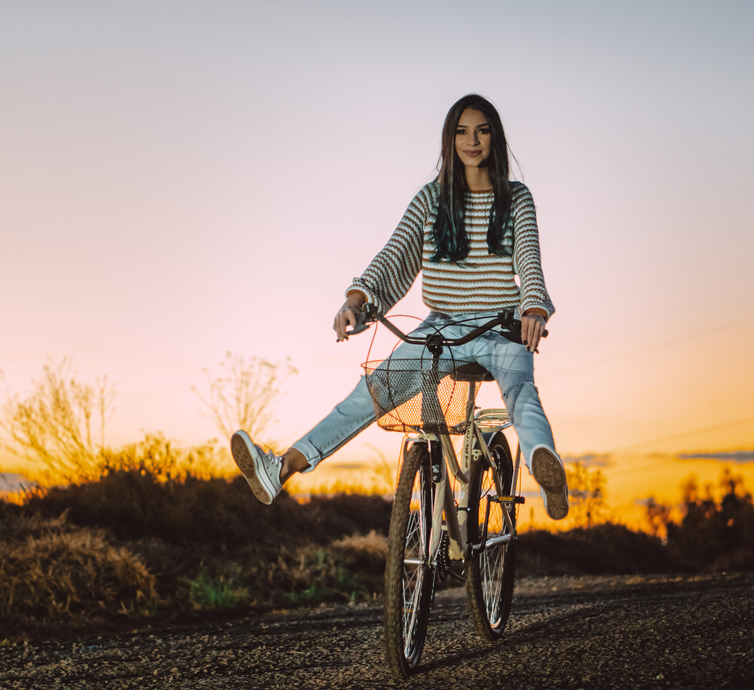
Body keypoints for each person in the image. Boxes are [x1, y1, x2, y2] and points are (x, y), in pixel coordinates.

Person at [230, 94, 569, 521]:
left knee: (522, 395)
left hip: (502, 327)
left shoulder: (516, 199)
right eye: (462, 132)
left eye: (482, 130)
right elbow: (394, 257)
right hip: (440, 330)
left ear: (495, 138)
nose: (472, 140)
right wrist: (357, 301)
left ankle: (545, 468)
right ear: (449, 141)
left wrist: (534, 309)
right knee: (370, 394)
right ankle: (279, 469)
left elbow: (529, 260)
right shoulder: (431, 199)